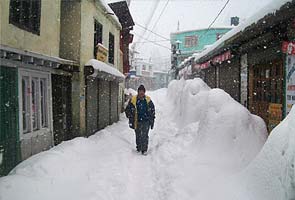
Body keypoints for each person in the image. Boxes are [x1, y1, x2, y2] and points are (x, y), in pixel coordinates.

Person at [125, 85, 155, 155]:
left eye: (142, 91)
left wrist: (152, 120)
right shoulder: (133, 100)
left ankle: (144, 149)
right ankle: (139, 147)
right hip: (137, 121)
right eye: (140, 91)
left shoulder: (148, 100)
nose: (141, 93)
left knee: (145, 135)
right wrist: (130, 116)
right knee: (138, 135)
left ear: (144, 92)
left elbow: (152, 111)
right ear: (138, 92)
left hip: (146, 121)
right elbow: (127, 110)